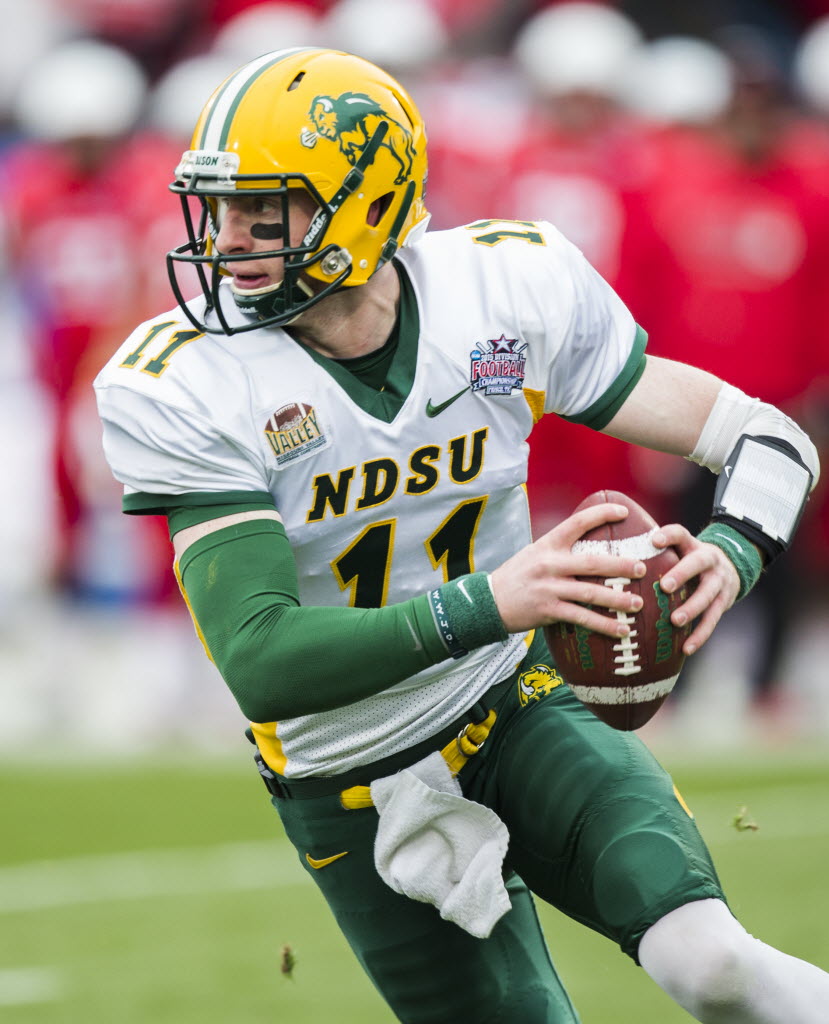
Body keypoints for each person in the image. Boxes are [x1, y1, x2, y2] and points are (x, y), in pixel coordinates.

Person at [94, 48, 826, 1023]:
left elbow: (768, 439)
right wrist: (495, 600)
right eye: (219, 209)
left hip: (511, 703)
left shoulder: (501, 289)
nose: (229, 242)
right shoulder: (189, 379)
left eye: (264, 211)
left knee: (714, 964)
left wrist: (732, 554)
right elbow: (260, 656)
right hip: (347, 779)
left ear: (363, 202)